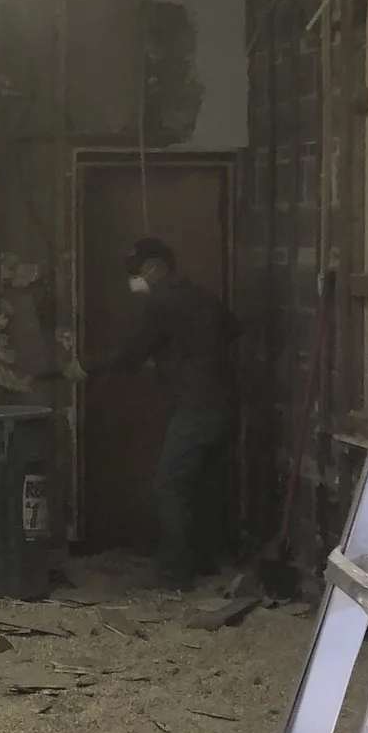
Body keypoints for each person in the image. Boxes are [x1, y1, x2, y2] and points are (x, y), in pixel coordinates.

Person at [90, 236, 242, 586]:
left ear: (156, 267)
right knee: (205, 483)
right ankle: (208, 562)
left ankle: (175, 572)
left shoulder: (162, 302)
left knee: (169, 485)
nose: (136, 281)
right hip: (224, 402)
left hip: (196, 406)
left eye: (139, 272)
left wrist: (86, 368)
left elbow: (131, 354)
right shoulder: (203, 296)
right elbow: (234, 329)